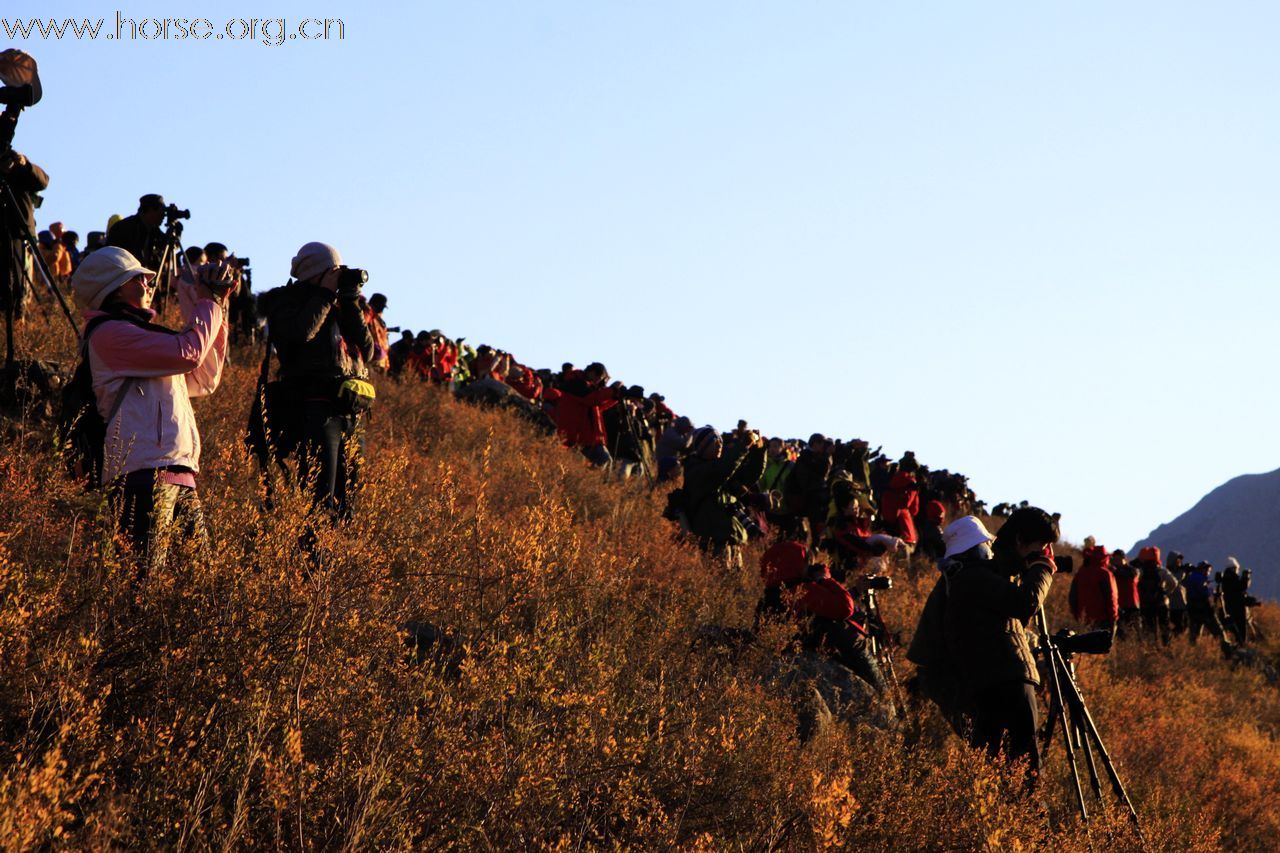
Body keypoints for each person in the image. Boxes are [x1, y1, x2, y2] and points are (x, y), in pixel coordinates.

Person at [69, 247, 229, 578]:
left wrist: (218, 305)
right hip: (141, 476)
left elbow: (205, 377)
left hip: (177, 473)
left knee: (200, 589)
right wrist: (207, 301)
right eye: (137, 277)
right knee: (144, 587)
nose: (147, 282)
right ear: (113, 287)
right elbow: (189, 354)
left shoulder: (145, 338)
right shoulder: (110, 335)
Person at [258, 242, 374, 520]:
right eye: (334, 270)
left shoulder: (336, 303)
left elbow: (367, 350)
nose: (339, 274)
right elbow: (300, 334)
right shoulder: (287, 301)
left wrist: (349, 301)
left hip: (348, 410)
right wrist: (324, 294)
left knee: (347, 500)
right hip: (313, 409)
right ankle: (312, 559)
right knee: (320, 497)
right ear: (315, 272)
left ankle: (336, 557)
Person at [943, 507, 1058, 775]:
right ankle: (1027, 816)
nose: (989, 548)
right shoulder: (974, 578)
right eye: (1041, 546)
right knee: (1024, 769)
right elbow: (1024, 603)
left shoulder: (968, 579)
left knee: (995, 771)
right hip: (1007, 681)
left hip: (987, 682)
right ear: (1020, 540)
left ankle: (1007, 816)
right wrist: (1042, 568)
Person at [908, 515, 997, 738]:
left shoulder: (953, 576)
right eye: (985, 543)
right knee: (982, 739)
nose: (989, 547)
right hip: (946, 674)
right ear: (975, 548)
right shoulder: (963, 580)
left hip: (939, 673)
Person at [681, 425, 766, 570]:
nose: (719, 444)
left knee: (736, 587)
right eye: (713, 441)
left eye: (720, 440)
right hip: (714, 541)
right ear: (702, 447)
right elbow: (722, 470)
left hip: (732, 538)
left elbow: (751, 475)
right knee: (720, 582)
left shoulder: (722, 469)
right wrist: (743, 446)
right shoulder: (696, 470)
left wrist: (758, 450)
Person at [0, 149, 49, 327]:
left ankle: (17, 324)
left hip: (17, 231)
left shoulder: (11, 158)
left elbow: (43, 182)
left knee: (18, 288)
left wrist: (25, 164)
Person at [545, 362, 619, 467]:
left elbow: (598, 407)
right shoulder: (576, 383)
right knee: (603, 460)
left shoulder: (583, 384)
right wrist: (613, 390)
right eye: (599, 377)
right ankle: (590, 481)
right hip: (579, 433)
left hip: (585, 434)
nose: (599, 381)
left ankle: (590, 480)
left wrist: (614, 397)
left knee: (604, 461)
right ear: (593, 373)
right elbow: (592, 400)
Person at [106, 194, 166, 272]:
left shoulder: (155, 233)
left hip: (142, 278)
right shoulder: (124, 228)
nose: (163, 217)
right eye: (161, 213)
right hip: (123, 276)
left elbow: (166, 256)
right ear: (150, 210)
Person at [1068, 545, 1118, 636]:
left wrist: (1078, 616)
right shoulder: (1105, 574)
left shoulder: (1080, 573)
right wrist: (1113, 619)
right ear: (1104, 558)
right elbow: (1111, 598)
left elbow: (1072, 597)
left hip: (1084, 621)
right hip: (1103, 621)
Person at [1135, 546, 1176, 646]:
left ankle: (1152, 649)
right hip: (1161, 603)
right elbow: (1173, 582)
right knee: (1164, 627)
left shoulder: (1140, 571)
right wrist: (1166, 593)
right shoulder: (1161, 571)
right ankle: (1167, 647)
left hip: (1146, 604)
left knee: (1149, 628)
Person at [1184, 561, 1223, 645]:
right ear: (1203, 569)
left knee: (1194, 634)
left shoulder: (1191, 577)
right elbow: (1204, 592)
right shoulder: (1200, 578)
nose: (1208, 573)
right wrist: (1213, 592)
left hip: (1192, 610)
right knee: (1218, 631)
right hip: (1204, 610)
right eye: (1208, 570)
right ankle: (1227, 648)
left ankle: (1192, 652)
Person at [1111, 549, 1140, 637]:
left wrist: (1115, 571)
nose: (1116, 562)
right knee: (1121, 631)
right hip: (1119, 605)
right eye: (1115, 559)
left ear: (1124, 558)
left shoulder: (1133, 570)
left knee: (1133, 630)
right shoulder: (1113, 571)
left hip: (1131, 605)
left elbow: (1130, 576)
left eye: (1118, 559)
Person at [364, 293, 391, 372]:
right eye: (381, 306)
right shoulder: (366, 313)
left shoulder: (379, 320)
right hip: (371, 359)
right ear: (375, 303)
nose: (382, 310)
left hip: (380, 361)